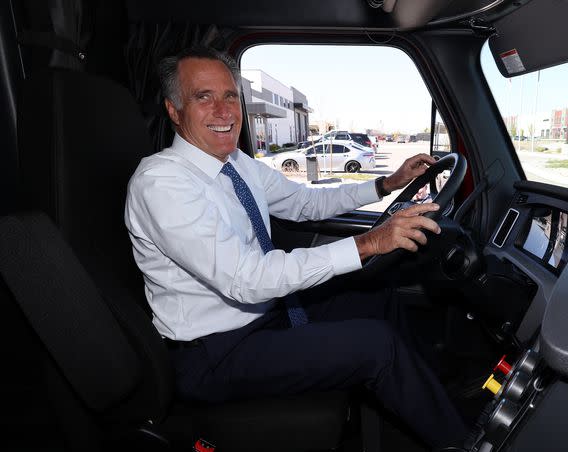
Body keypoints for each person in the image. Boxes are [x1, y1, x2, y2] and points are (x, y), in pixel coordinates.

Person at [124, 46, 467, 449]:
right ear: (174, 110)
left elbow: (306, 203)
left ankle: (437, 398)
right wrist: (370, 242)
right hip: (214, 352)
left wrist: (384, 184)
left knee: (383, 301)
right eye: (204, 97)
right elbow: (247, 279)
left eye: (231, 96)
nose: (224, 111)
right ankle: (459, 442)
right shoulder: (162, 184)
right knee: (377, 346)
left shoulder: (236, 164)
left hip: (265, 317)